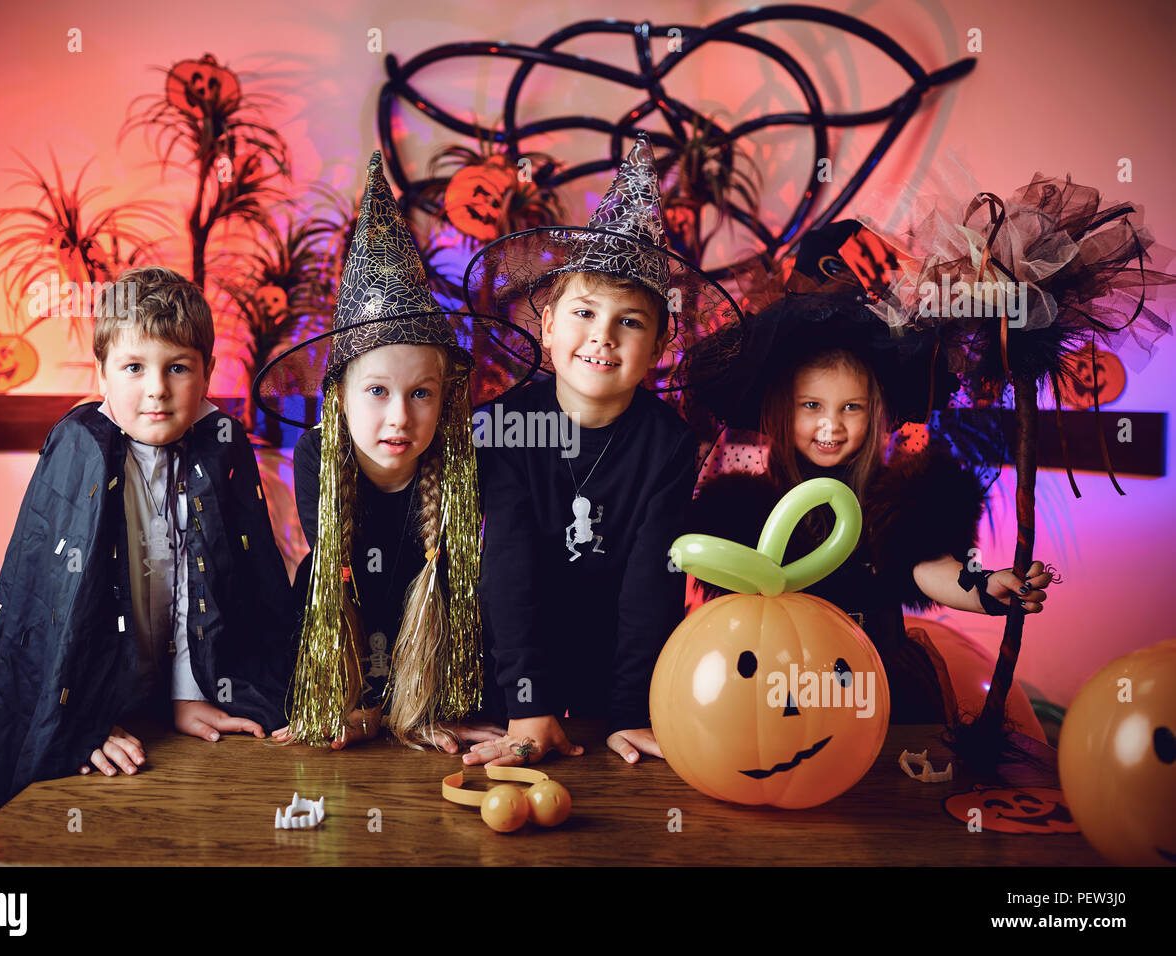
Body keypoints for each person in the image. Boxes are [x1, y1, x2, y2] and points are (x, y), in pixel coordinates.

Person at [0, 266, 297, 864]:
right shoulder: (80, 446)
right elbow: (55, 609)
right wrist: (79, 721)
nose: (156, 388)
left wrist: (189, 694)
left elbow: (210, 582)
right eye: (134, 368)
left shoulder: (221, 445)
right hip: (97, 691)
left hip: (187, 680)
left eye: (177, 367)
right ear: (101, 374)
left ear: (206, 372)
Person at [683, 225, 1055, 723]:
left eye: (851, 408)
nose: (830, 425)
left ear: (876, 412)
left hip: (871, 685)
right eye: (811, 405)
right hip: (775, 691)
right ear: (780, 409)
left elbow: (929, 568)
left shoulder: (894, 501)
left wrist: (987, 587)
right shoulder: (747, 510)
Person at [461, 135, 743, 766]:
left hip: (607, 671)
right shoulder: (504, 426)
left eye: (631, 322)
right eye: (584, 313)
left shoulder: (667, 444)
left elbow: (652, 586)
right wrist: (526, 704)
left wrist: (634, 714)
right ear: (549, 325)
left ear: (660, 344)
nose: (603, 338)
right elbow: (508, 565)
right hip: (502, 674)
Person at [257, 152, 539, 752]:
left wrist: (439, 703)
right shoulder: (317, 459)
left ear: (445, 400)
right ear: (339, 397)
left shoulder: (471, 468)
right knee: (321, 578)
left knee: (462, 579)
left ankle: (427, 712)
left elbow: (476, 599)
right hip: (349, 635)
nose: (399, 417)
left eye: (421, 394)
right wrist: (363, 705)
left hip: (441, 661)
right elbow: (348, 583)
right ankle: (361, 710)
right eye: (378, 391)